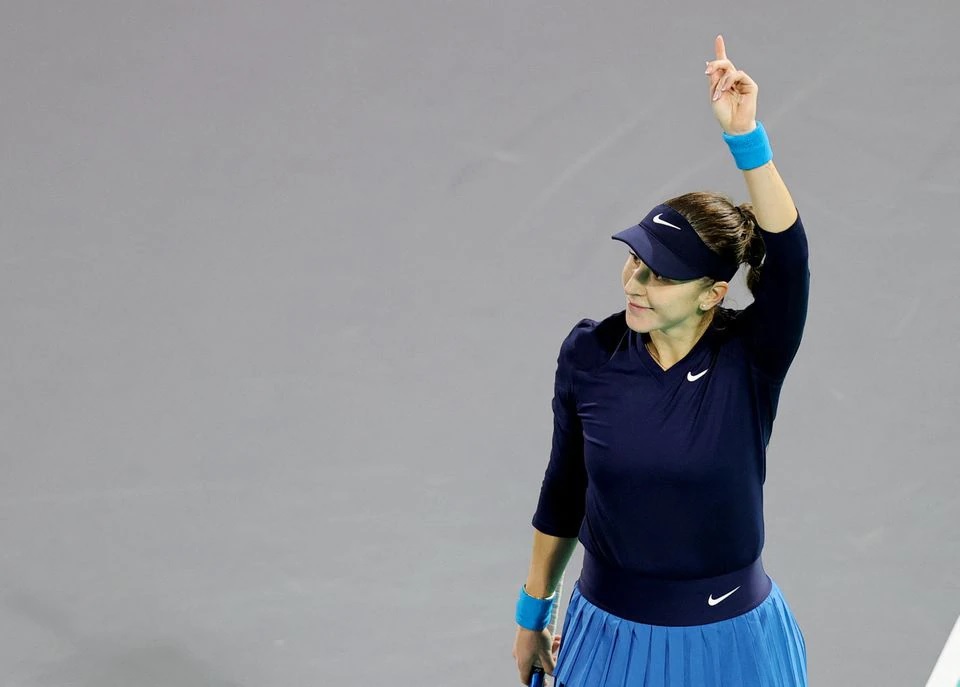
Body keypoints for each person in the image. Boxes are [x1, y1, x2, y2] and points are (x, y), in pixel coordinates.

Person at [511, 35, 810, 686]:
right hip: (607, 641)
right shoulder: (590, 354)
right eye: (635, 261)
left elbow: (791, 258)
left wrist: (746, 137)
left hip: (735, 647)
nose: (634, 283)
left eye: (660, 276)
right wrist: (531, 612)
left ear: (713, 293)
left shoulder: (752, 357)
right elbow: (563, 490)